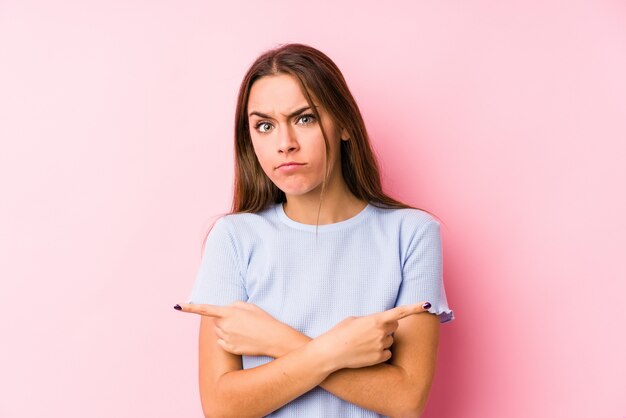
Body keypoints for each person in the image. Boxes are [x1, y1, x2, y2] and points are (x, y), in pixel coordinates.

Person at [174, 43, 454, 418]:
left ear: (343, 125)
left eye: (304, 118)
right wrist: (336, 349)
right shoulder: (234, 238)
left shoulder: (413, 234)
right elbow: (222, 408)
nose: (284, 143)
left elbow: (405, 399)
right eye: (265, 126)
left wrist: (276, 339)